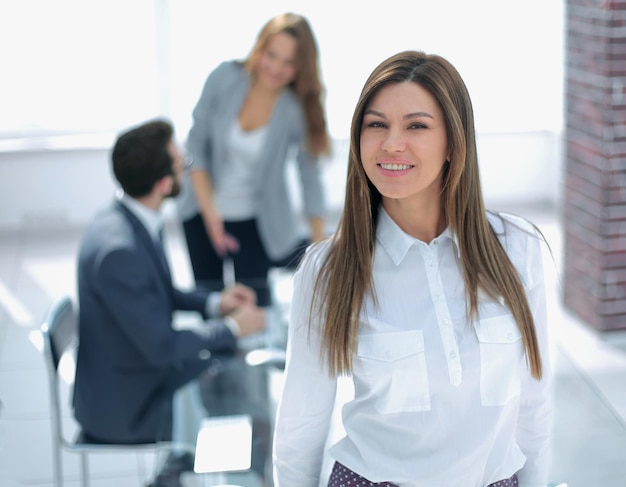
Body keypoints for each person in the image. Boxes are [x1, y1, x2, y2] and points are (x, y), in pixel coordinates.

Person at [272, 51, 552, 487]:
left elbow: (534, 404)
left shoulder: (518, 248)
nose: (391, 143)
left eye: (416, 125)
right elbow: (300, 424)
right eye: (376, 124)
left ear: (454, 142)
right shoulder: (327, 270)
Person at [72, 119, 265, 487]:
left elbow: (159, 292)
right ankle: (180, 473)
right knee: (239, 411)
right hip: (127, 407)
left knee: (228, 371)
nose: (186, 170)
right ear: (164, 184)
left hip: (133, 372)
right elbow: (162, 347)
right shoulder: (120, 250)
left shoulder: (125, 218)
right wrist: (233, 326)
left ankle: (174, 474)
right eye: (183, 164)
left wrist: (215, 303)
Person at [176, 12, 331, 307]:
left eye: (289, 63)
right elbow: (196, 144)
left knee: (255, 307)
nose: (275, 68)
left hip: (256, 221)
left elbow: (309, 176)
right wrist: (212, 217)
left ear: (302, 67)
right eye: (271, 55)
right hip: (202, 210)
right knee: (210, 302)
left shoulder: (295, 110)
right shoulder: (224, 77)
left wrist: (318, 248)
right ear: (260, 47)